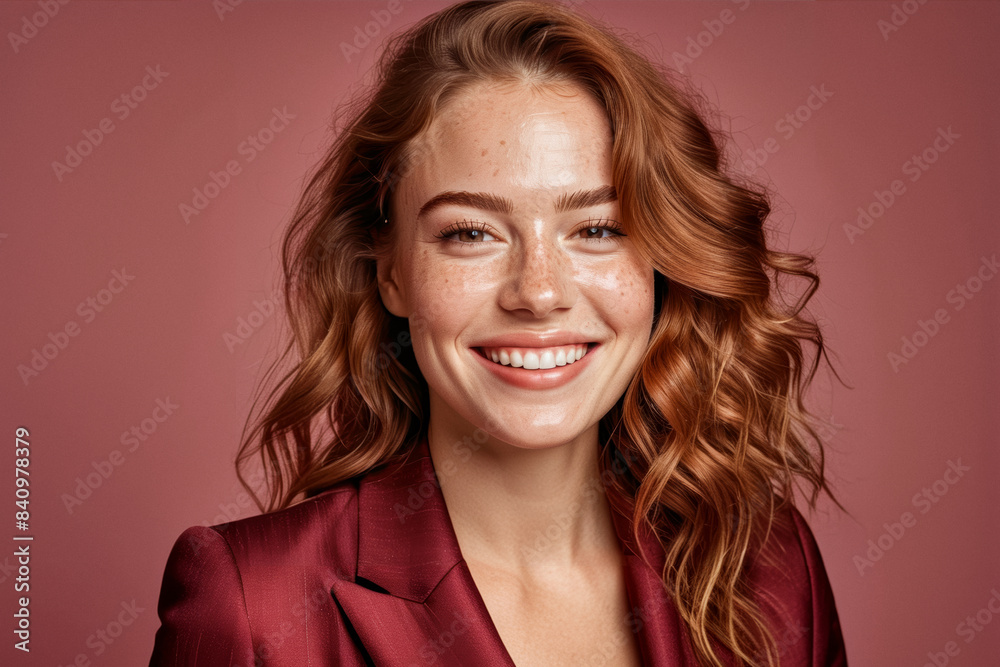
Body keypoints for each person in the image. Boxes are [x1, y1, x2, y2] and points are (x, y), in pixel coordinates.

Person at [149, 1, 847, 665]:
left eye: (599, 229)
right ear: (391, 270)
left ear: (662, 261)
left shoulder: (773, 571)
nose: (539, 291)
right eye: (471, 232)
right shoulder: (252, 603)